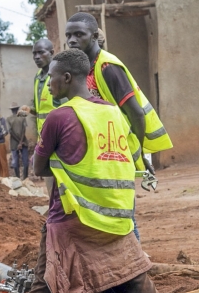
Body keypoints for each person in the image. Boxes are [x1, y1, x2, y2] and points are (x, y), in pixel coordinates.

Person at [0, 50, 177, 293]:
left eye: (52, 77)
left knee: (44, 288)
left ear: (67, 78)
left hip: (72, 218)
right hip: (116, 218)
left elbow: (39, 167)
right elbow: (130, 157)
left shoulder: (59, 117)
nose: (48, 85)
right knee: (135, 278)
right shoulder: (114, 114)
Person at [65, 12, 173, 238]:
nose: (72, 40)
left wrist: (142, 154)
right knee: (112, 208)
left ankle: (135, 262)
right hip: (107, 147)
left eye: (79, 34)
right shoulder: (87, 68)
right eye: (69, 36)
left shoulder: (108, 67)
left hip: (121, 146)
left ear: (94, 36)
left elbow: (136, 113)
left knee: (123, 212)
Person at [32, 38, 56, 138]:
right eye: (34, 53)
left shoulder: (59, 75)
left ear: (51, 53)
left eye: (41, 52)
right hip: (42, 137)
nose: (37, 57)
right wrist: (29, 109)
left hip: (58, 136)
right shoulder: (37, 77)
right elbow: (40, 111)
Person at [8, 103, 31, 179]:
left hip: (14, 142)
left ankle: (17, 178)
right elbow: (24, 130)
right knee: (25, 161)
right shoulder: (22, 117)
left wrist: (18, 142)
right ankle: (25, 178)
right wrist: (21, 141)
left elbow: (10, 132)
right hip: (23, 141)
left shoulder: (9, 119)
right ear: (17, 109)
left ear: (11, 110)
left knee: (15, 161)